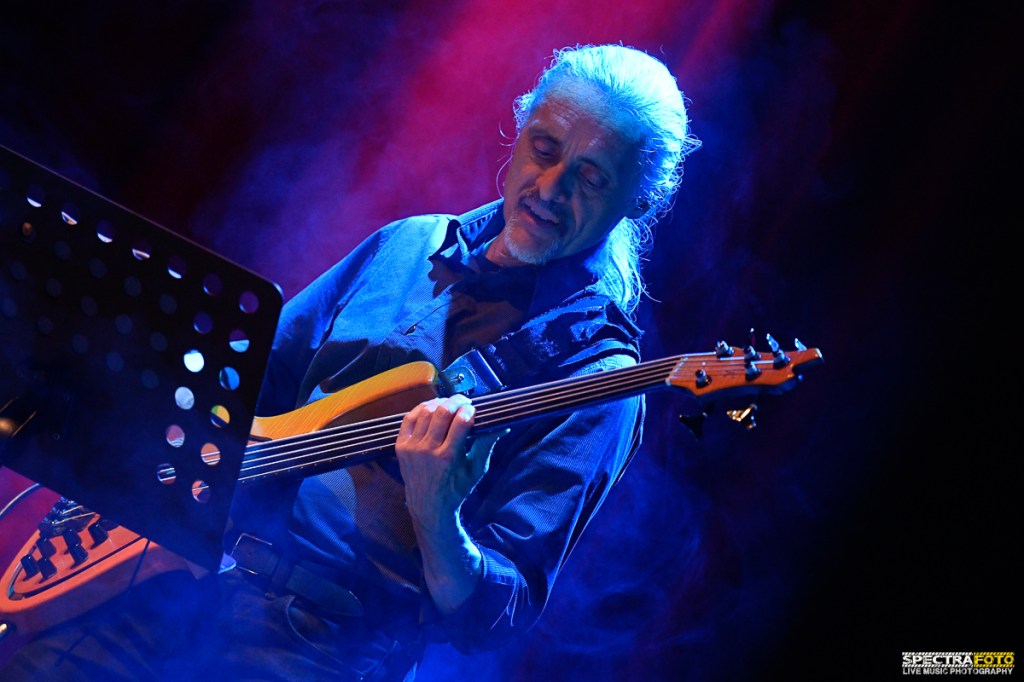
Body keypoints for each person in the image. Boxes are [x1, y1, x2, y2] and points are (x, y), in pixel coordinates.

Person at [2, 43, 699, 681]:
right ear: (518, 131)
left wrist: (437, 512)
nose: (550, 188)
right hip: (181, 571)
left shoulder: (598, 379)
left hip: (314, 645)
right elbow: (251, 386)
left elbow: (495, 617)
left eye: (590, 179)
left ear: (638, 201)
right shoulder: (408, 245)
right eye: (544, 149)